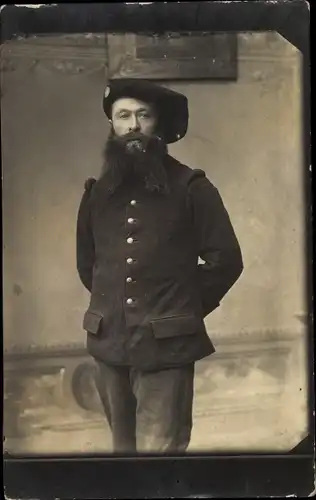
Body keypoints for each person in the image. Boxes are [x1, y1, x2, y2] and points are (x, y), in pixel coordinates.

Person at [76, 78, 243, 454]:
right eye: (123, 116)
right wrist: (115, 308)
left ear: (159, 125)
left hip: (167, 349)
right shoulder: (96, 193)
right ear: (112, 126)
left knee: (162, 455)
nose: (132, 125)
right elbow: (88, 265)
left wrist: (178, 310)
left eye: (142, 115)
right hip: (109, 345)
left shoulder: (191, 187)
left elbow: (226, 260)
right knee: (122, 454)